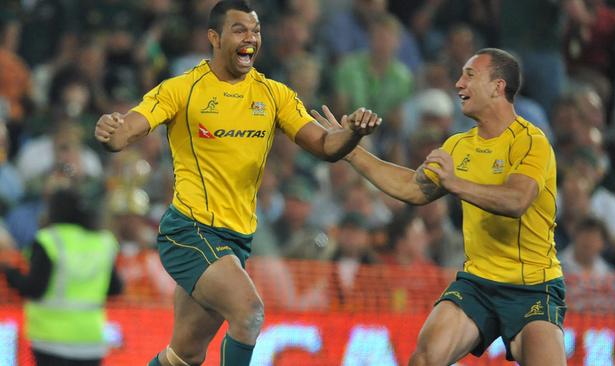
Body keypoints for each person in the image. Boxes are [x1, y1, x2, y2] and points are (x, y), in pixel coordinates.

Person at [93, 1, 381, 365]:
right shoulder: (182, 89)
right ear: (214, 37)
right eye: (240, 30)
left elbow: (325, 145)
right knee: (249, 312)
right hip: (189, 231)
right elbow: (127, 131)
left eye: (256, 31)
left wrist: (353, 133)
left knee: (184, 356)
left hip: (237, 239)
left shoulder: (273, 95)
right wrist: (111, 133)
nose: (251, 38)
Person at [317, 48, 566, 365]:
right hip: (478, 283)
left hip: (534, 287)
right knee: (424, 358)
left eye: (470, 75)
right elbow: (411, 187)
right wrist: (350, 150)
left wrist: (454, 183)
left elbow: (516, 201)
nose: (459, 84)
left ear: (497, 86)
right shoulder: (458, 145)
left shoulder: (531, 141)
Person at [0, 188, 122, 366]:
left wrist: (9, 272)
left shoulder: (49, 240)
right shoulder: (102, 242)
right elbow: (115, 288)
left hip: (51, 341)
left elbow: (34, 289)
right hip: (90, 342)